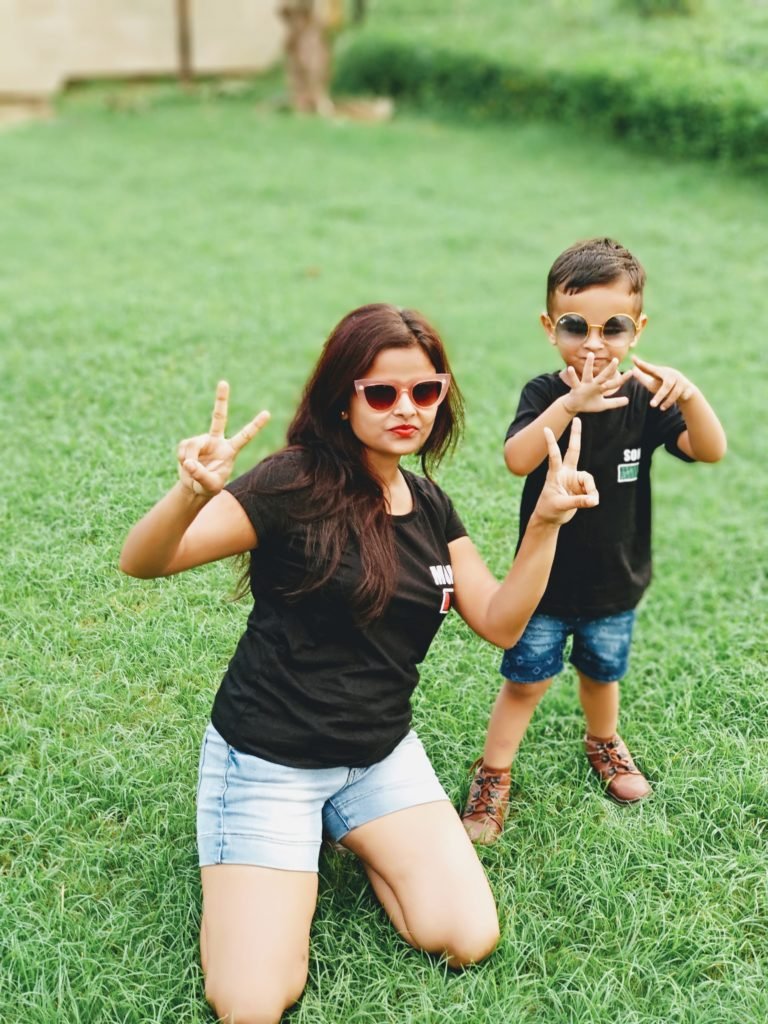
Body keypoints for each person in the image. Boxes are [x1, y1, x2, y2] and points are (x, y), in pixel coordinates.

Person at [119, 303, 599, 1024]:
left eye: (425, 391)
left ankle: (342, 828)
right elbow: (145, 562)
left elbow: (500, 624)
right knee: (251, 1003)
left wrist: (544, 526)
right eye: (382, 393)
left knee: (467, 937)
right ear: (342, 399)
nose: (407, 409)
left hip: (377, 756)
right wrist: (190, 494)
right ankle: (286, 840)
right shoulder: (290, 485)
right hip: (268, 760)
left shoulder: (432, 505)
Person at [461, 238, 727, 845]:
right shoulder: (541, 394)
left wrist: (691, 395)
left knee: (601, 675)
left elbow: (710, 450)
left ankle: (604, 743)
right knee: (526, 681)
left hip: (617, 579)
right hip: (545, 585)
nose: (594, 342)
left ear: (638, 329)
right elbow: (515, 457)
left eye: (615, 327)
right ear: (550, 326)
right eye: (576, 326)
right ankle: (493, 773)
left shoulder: (644, 397)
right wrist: (568, 405)